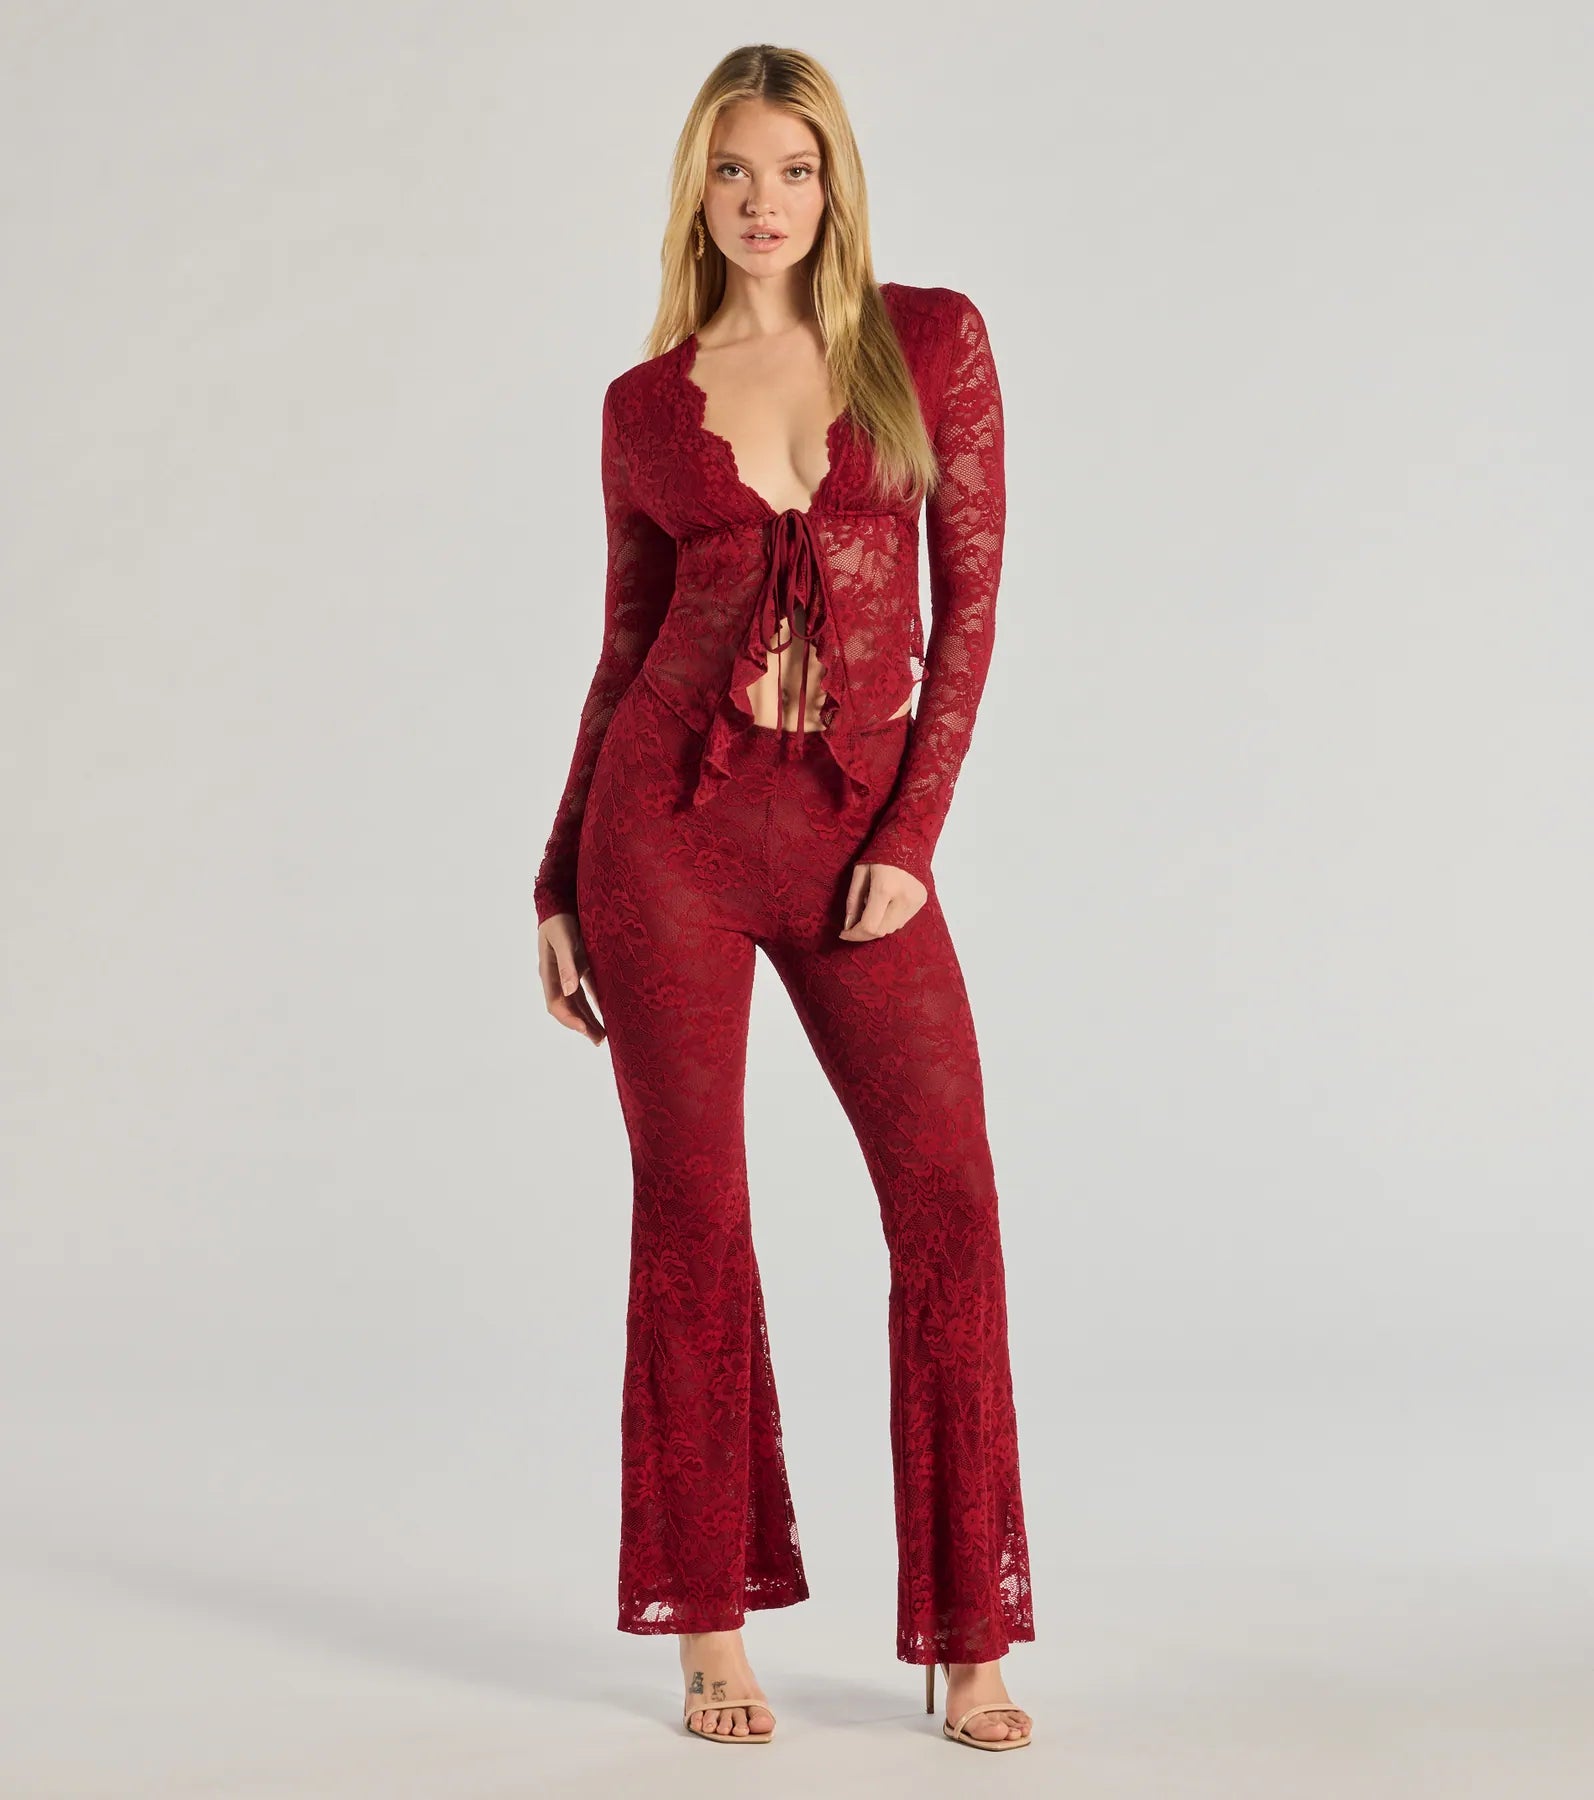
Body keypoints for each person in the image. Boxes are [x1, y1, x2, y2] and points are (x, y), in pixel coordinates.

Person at [535, 43, 1036, 1752]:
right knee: (693, 1217)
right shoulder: (640, 404)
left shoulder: (929, 342)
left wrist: (911, 836)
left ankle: (968, 1635)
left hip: (853, 842)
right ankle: (707, 1631)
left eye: (795, 169)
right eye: (736, 171)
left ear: (836, 184)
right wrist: (556, 874)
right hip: (659, 844)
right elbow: (622, 652)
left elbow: (970, 610)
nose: (765, 201)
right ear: (699, 189)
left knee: (946, 1198)